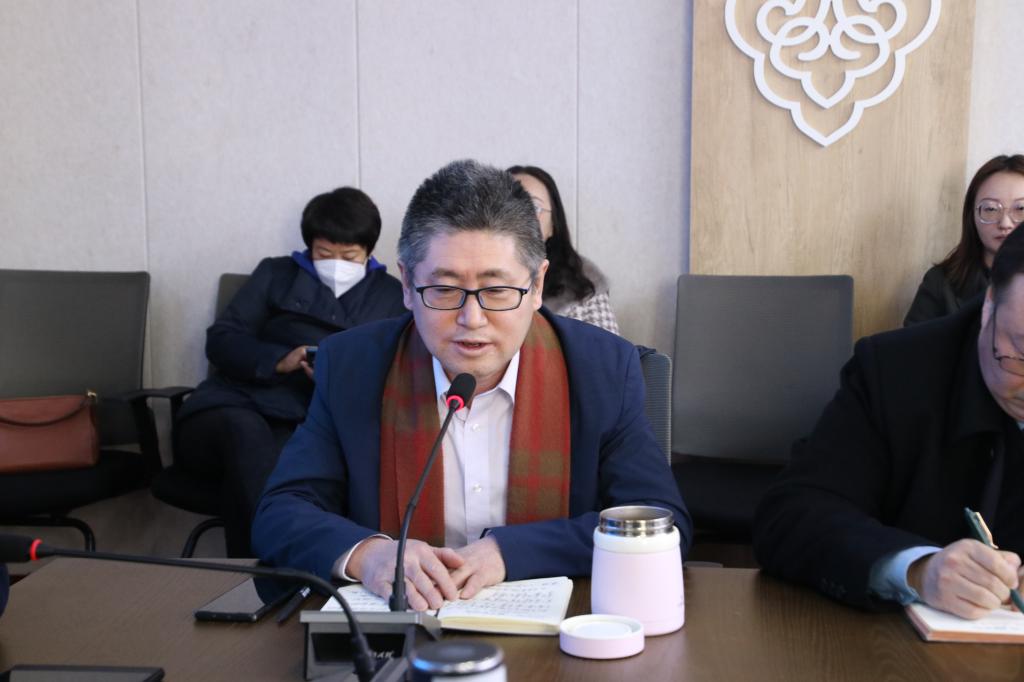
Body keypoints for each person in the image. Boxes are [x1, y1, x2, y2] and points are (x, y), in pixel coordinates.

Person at [252, 159, 690, 610]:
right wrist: (369, 555)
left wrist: (509, 552)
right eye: (444, 290)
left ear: (537, 285)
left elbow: (662, 523)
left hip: (560, 630)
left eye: (497, 290)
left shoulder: (602, 370)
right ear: (407, 285)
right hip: (398, 632)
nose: (472, 319)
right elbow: (280, 513)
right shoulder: (354, 367)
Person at [754, 224, 1024, 619]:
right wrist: (917, 570)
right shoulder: (896, 370)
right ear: (988, 306)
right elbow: (792, 516)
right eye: (1021, 354)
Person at [174, 187, 406, 557]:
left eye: (349, 256)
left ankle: (268, 567)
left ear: (368, 251)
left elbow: (397, 370)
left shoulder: (391, 296)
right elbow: (222, 339)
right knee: (247, 435)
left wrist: (333, 377)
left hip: (306, 419)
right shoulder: (275, 274)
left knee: (295, 463)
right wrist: (279, 359)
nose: (336, 264)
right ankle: (263, 565)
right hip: (231, 406)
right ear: (309, 246)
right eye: (324, 254)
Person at [904, 155, 1024, 326]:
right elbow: (913, 342)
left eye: (1021, 209)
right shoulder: (940, 283)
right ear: (971, 216)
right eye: (990, 209)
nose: (1005, 223)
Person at [506, 165, 620, 334]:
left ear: (553, 224)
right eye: (509, 205)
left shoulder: (583, 282)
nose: (521, 216)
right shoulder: (468, 268)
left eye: (534, 207)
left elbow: (606, 348)